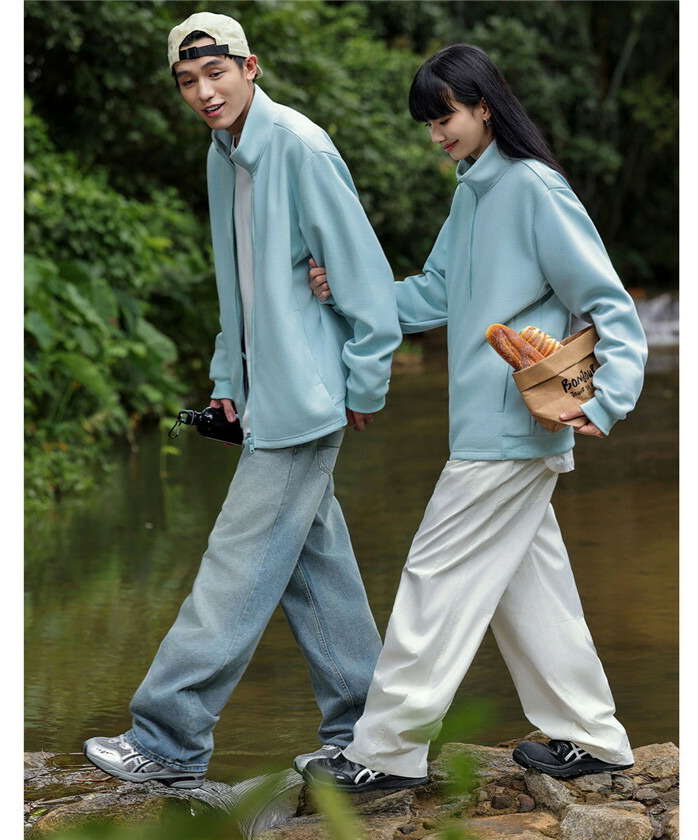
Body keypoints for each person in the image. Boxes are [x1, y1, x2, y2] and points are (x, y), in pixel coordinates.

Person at [301, 44, 647, 792]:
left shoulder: (534, 188)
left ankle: (385, 753)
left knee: (435, 578)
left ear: (484, 106)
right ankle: (593, 737)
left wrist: (609, 398)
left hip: (513, 429)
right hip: (490, 428)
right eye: (429, 124)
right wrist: (346, 295)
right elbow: (434, 292)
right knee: (531, 589)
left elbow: (609, 304)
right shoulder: (473, 193)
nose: (437, 135)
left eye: (445, 117)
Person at [83, 12, 401, 789]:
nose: (203, 91)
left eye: (215, 73)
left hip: (309, 395)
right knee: (314, 566)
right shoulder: (223, 153)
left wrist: (366, 384)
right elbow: (239, 288)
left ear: (250, 67)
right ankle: (372, 736)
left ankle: (168, 741)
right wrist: (229, 383)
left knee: (236, 563)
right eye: (188, 81)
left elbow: (364, 279)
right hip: (268, 396)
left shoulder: (300, 146)